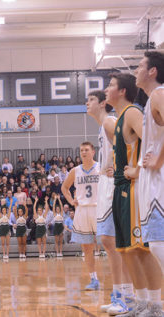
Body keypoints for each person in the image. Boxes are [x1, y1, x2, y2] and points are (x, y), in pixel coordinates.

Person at [106, 72, 163, 316]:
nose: (106, 89)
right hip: (120, 189)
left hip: (132, 190)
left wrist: (139, 170)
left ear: (122, 91)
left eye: (110, 85)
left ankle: (155, 304)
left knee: (141, 249)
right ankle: (140, 302)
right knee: (127, 251)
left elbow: (150, 140)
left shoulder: (132, 112)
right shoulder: (119, 118)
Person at [87, 89, 135, 314]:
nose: (87, 103)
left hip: (114, 185)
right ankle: (120, 293)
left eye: (91, 99)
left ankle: (126, 296)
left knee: (113, 241)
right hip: (107, 186)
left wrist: (117, 167)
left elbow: (127, 146)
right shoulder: (103, 124)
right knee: (109, 242)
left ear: (103, 102)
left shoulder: (109, 121)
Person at [135, 51, 164, 315]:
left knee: (158, 244)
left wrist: (158, 159)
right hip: (151, 183)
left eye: (141, 65)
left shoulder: (159, 94)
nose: (136, 69)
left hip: (160, 184)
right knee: (155, 244)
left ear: (153, 71)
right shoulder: (150, 100)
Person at [62, 142, 100, 291]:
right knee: (87, 247)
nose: (83, 152)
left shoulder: (100, 168)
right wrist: (71, 201)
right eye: (81, 150)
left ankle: (122, 283)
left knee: (110, 245)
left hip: (99, 208)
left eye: (86, 150)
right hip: (82, 210)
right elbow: (64, 187)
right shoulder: (75, 170)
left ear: (93, 152)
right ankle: (94, 279)